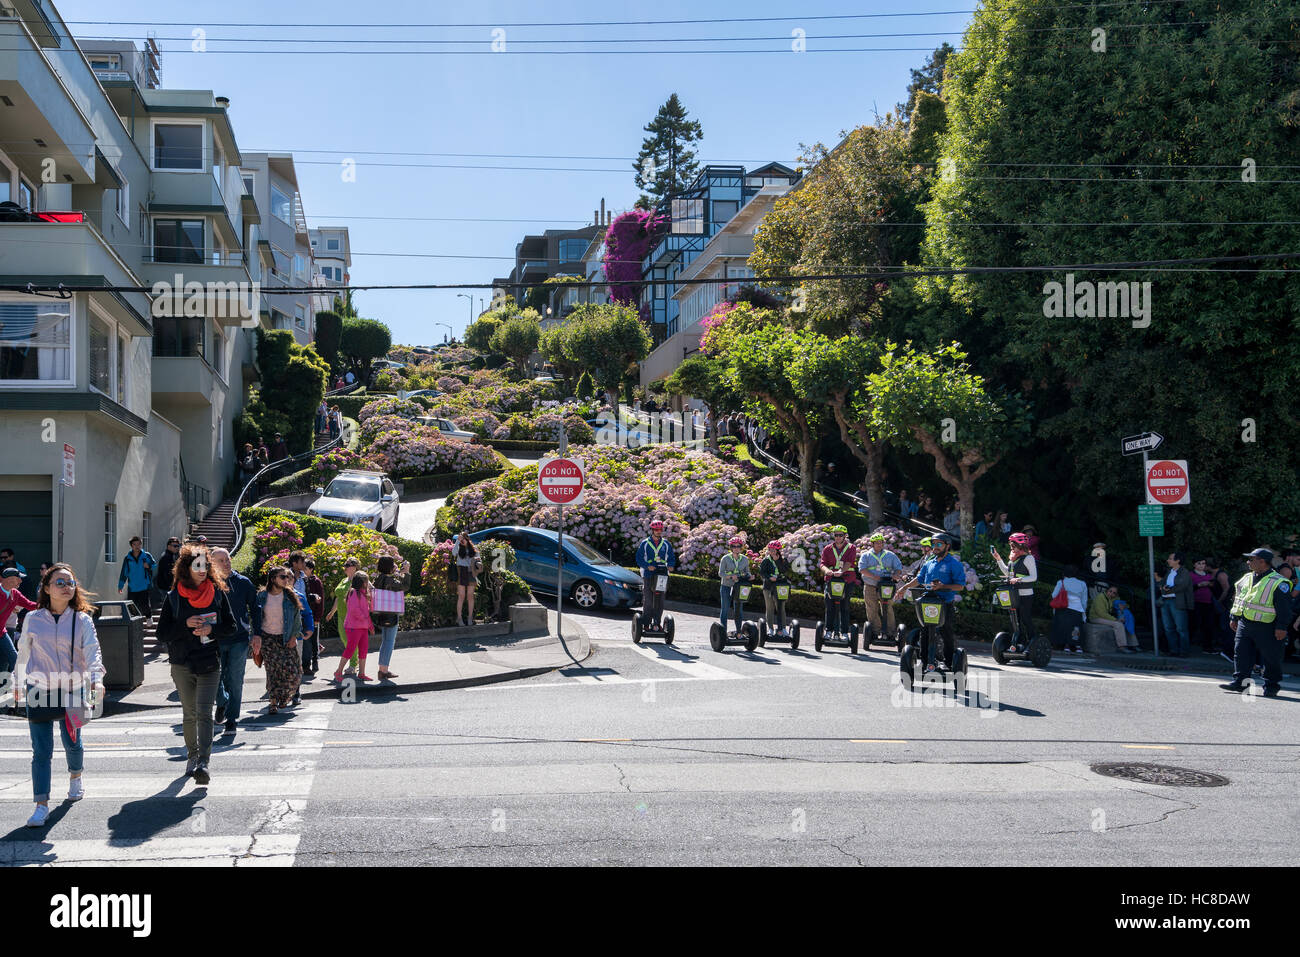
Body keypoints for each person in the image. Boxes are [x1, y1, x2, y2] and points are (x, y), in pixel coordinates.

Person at [15, 563, 104, 827]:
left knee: (72, 742)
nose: (66, 587)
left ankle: (75, 777)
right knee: (41, 750)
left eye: (70, 583)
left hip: (73, 687)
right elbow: (24, 653)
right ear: (46, 588)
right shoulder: (33, 618)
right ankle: (41, 805)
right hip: (39, 688)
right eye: (60, 583)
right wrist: (18, 682)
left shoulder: (82, 619)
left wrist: (97, 681)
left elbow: (93, 652)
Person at [156, 544, 235, 784]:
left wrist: (212, 628)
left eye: (205, 566)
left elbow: (231, 627)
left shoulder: (218, 593)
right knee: (189, 714)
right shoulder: (174, 597)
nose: (202, 570)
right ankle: (192, 755)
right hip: (182, 663)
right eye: (196, 566)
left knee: (204, 713)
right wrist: (184, 624)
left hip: (209, 661)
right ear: (186, 569)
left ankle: (204, 761)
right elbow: (162, 633)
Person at [1220, 548, 1291, 697]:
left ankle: (1271, 686)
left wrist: (1282, 627)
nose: (1248, 562)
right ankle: (1241, 683)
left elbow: (1284, 608)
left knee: (1271, 657)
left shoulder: (1279, 582)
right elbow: (1239, 599)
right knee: (1241, 653)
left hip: (1268, 626)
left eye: (1251, 559)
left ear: (1262, 562)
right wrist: (1234, 617)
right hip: (1245, 623)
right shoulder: (1246, 578)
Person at [896, 532, 965, 672]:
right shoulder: (929, 563)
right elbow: (919, 579)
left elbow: (960, 586)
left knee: (946, 632)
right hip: (928, 602)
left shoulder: (954, 564)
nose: (935, 547)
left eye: (939, 544)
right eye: (933, 544)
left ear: (947, 546)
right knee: (925, 632)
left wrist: (943, 587)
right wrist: (904, 587)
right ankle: (926, 662)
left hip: (945, 603)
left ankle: (948, 662)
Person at [209, 548, 258, 734]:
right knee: (215, 677)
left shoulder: (243, 583)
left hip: (239, 639)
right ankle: (222, 702)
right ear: (212, 563)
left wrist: (257, 634)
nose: (226, 563)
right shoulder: (208, 584)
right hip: (215, 639)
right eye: (221, 560)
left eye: (227, 559)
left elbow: (255, 608)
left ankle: (231, 718)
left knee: (235, 679)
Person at [256, 565, 305, 711]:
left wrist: (294, 636)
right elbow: (256, 618)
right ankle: (273, 702)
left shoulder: (290, 596)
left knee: (294, 671)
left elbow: (297, 618)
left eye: (287, 577)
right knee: (273, 671)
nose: (286, 579)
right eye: (282, 577)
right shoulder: (262, 596)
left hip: (286, 638)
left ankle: (284, 697)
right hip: (268, 638)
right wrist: (255, 637)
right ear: (273, 579)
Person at [991, 533, 1038, 653]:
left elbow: (1033, 577)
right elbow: (1008, 573)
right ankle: (1020, 643)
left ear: (1021, 546)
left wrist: (1019, 579)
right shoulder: (1013, 559)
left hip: (1026, 594)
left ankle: (1032, 642)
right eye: (1011, 546)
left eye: (1014, 546)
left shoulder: (1028, 558)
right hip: (1014, 594)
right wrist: (999, 559)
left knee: (1025, 618)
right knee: (1015, 620)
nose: (1012, 548)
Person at [372, 555, 411, 681]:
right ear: (389, 567)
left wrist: (399, 573)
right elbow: (405, 586)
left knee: (385, 641)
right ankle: (384, 671)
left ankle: (382, 669)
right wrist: (407, 572)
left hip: (381, 612)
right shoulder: (390, 580)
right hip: (391, 613)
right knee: (389, 642)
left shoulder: (378, 579)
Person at [858, 532, 902, 640]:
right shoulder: (866, 555)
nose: (879, 545)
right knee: (871, 608)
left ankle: (890, 632)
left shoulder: (890, 555)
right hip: (870, 585)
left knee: (887, 608)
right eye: (877, 543)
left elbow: (898, 568)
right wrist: (874, 577)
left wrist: (896, 575)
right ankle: (874, 631)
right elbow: (862, 569)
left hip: (886, 586)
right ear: (872, 544)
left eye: (881, 543)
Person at [1, 566, 37, 696]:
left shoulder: (15, 594)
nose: (20, 582)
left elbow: (30, 605)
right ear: (9, 580)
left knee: (13, 658)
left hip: (2, 633)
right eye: (18, 579)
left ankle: (15, 690)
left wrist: (49, 605)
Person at [818, 525, 859, 638]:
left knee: (844, 606)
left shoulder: (851, 548)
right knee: (830, 606)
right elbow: (822, 564)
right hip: (831, 580)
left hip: (846, 580)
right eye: (836, 535)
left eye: (840, 535)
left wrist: (841, 571)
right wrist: (827, 571)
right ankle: (829, 631)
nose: (838, 537)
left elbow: (849, 562)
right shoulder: (828, 549)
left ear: (845, 536)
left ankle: (844, 632)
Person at [635, 519, 676, 629]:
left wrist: (671, 565)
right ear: (652, 530)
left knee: (660, 601)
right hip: (648, 574)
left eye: (660, 529)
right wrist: (647, 566)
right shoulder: (645, 543)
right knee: (648, 600)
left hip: (662, 574)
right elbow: (638, 558)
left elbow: (671, 557)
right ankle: (646, 623)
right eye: (656, 529)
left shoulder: (666, 544)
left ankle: (656, 623)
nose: (658, 531)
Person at [335, 571, 374, 683]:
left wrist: (369, 625)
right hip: (353, 627)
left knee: (363, 649)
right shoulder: (353, 593)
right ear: (361, 582)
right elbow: (354, 610)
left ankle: (362, 673)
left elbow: (367, 611)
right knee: (351, 649)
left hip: (362, 627)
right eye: (366, 581)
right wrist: (366, 621)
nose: (368, 583)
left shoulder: (363, 593)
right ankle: (338, 671)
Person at [324, 558, 361, 673]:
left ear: (355, 567)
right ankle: (356, 660)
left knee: (350, 640)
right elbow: (338, 597)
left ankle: (353, 664)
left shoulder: (358, 581)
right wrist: (332, 612)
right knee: (345, 639)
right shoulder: (344, 580)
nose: (345, 567)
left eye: (348, 565)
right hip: (341, 615)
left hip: (352, 616)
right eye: (345, 565)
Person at [1153, 551, 1193, 657]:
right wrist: (1163, 587)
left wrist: (1167, 590)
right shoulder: (1169, 571)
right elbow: (1162, 583)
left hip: (1177, 602)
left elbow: (1182, 586)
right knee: (1168, 627)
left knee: (1181, 628)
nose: (1168, 560)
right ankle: (1174, 650)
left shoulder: (1184, 572)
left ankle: (1184, 651)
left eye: (1170, 558)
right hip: (1166, 602)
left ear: (1177, 560)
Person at [1089, 582, 1138, 653]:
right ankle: (1122, 647)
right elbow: (1101, 613)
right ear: (1107, 591)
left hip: (1105, 618)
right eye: (1110, 591)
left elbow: (1124, 604)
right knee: (1119, 624)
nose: (1112, 593)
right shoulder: (1100, 597)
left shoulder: (1113, 598)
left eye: (1114, 593)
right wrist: (1116, 619)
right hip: (1096, 618)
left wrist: (1124, 606)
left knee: (1127, 621)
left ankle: (1134, 644)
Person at [1049, 564, 1088, 653]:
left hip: (1063, 607)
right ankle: (1077, 645)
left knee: (1063, 627)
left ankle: (1064, 644)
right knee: (1076, 627)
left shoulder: (1061, 582)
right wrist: (1083, 611)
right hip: (1077, 608)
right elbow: (1084, 600)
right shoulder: (1082, 584)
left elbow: (1054, 595)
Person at [116, 535, 156, 620]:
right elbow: (124, 573)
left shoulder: (147, 556)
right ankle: (135, 622)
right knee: (132, 606)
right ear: (131, 546)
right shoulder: (127, 559)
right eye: (135, 544)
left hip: (144, 584)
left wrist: (148, 566)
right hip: (132, 586)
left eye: (139, 544)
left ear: (141, 545)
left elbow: (154, 565)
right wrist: (120, 586)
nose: (137, 546)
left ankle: (149, 617)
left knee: (145, 604)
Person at [718, 537, 752, 632]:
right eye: (734, 546)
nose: (736, 548)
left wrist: (749, 576)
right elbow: (721, 573)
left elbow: (747, 572)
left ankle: (738, 631)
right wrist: (731, 576)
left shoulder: (745, 559)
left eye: (738, 546)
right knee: (725, 609)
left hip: (739, 587)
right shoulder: (725, 558)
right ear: (731, 547)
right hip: (726, 586)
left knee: (738, 610)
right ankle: (722, 631)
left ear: (741, 548)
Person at [758, 541, 793, 634]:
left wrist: (777, 561)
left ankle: (783, 628)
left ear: (778, 550)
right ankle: (770, 628)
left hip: (781, 587)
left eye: (774, 550)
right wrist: (769, 577)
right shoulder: (766, 560)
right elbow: (762, 573)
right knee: (770, 608)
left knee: (781, 608)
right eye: (770, 550)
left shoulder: (783, 560)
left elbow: (785, 571)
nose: (772, 552)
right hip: (769, 587)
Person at [1189, 558, 1218, 653]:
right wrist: (1199, 585)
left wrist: (1210, 584)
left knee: (1208, 625)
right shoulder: (1191, 575)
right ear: (1194, 565)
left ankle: (1207, 646)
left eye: (1203, 563)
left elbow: (1215, 586)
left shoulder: (1209, 575)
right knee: (1193, 624)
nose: (1202, 565)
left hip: (1208, 603)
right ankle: (1188, 644)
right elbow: (1188, 588)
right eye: (1199, 563)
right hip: (1196, 603)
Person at [303, 559, 325, 675]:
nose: (303, 570)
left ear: (311, 569)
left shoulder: (316, 582)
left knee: (314, 641)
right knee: (307, 640)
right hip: (305, 615)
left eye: (305, 568)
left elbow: (320, 602)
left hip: (314, 615)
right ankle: (307, 663)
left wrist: (317, 617)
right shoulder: (303, 580)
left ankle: (315, 660)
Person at [454, 531, 479, 627]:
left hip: (471, 572)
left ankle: (470, 617)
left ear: (467, 539)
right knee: (461, 596)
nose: (462, 540)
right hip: (461, 572)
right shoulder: (459, 547)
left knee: (470, 596)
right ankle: (459, 618)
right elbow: (454, 553)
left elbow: (478, 557)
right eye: (461, 538)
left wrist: (476, 560)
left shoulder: (473, 548)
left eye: (463, 538)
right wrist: (457, 541)